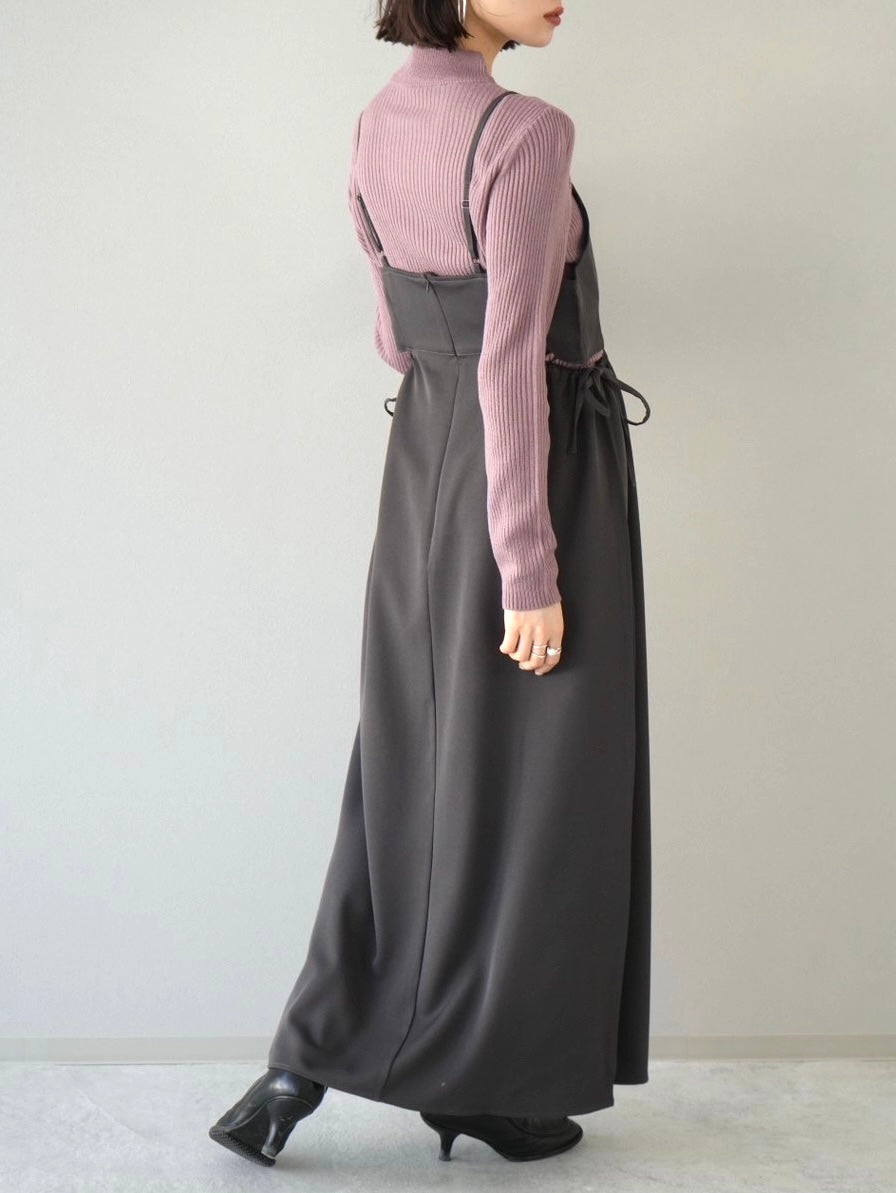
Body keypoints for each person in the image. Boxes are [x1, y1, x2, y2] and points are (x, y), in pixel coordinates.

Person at [209, 0, 651, 1168]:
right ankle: (486, 1079)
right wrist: (528, 565)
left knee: (409, 770)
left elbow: (394, 339)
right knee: (542, 791)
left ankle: (301, 1063)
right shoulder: (525, 131)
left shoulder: (376, 121)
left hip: (422, 469)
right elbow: (510, 358)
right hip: (533, 481)